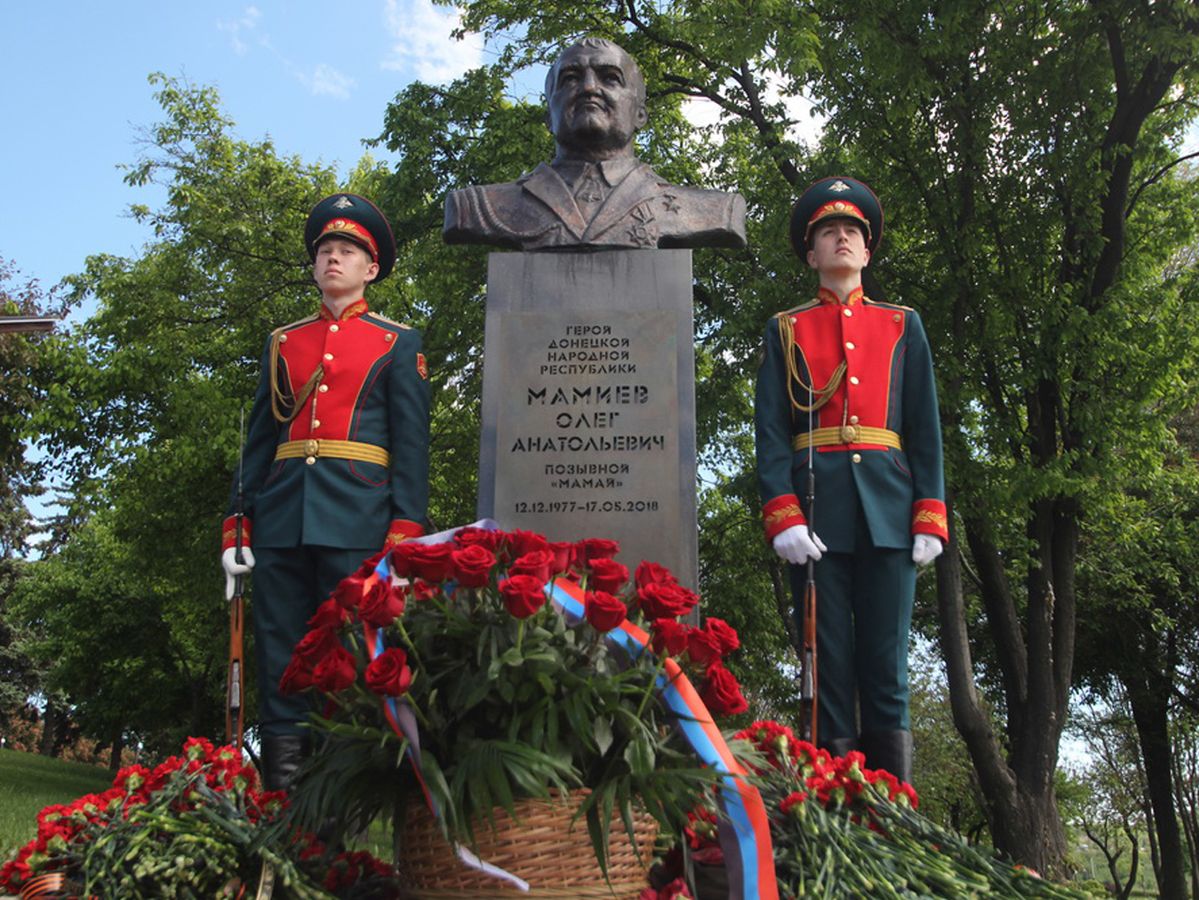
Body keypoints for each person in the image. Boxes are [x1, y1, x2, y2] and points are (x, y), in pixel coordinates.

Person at [221, 193, 430, 789]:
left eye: (348, 251)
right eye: (326, 251)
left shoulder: (397, 342)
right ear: (314, 267)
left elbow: (411, 446)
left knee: (345, 653)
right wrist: (238, 526)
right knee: (281, 651)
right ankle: (285, 795)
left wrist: (403, 534)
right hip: (282, 515)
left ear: (372, 269)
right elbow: (259, 441)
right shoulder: (284, 343)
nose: (334, 259)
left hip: (358, 515)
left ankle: (333, 801)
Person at [754, 177, 948, 782]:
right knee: (827, 668)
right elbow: (770, 431)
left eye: (853, 233)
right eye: (828, 233)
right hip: (816, 516)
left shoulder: (901, 325)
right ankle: (837, 813)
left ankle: (893, 813)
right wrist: (782, 514)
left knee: (888, 672)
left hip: (891, 514)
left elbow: (925, 429)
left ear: (867, 253)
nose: (842, 239)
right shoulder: (786, 329)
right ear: (811, 254)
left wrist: (930, 514)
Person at [443, 37, 745, 250]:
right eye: (571, 78)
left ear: (640, 113)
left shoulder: (710, 210)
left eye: (610, 78)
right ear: (549, 114)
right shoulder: (481, 207)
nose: (588, 87)